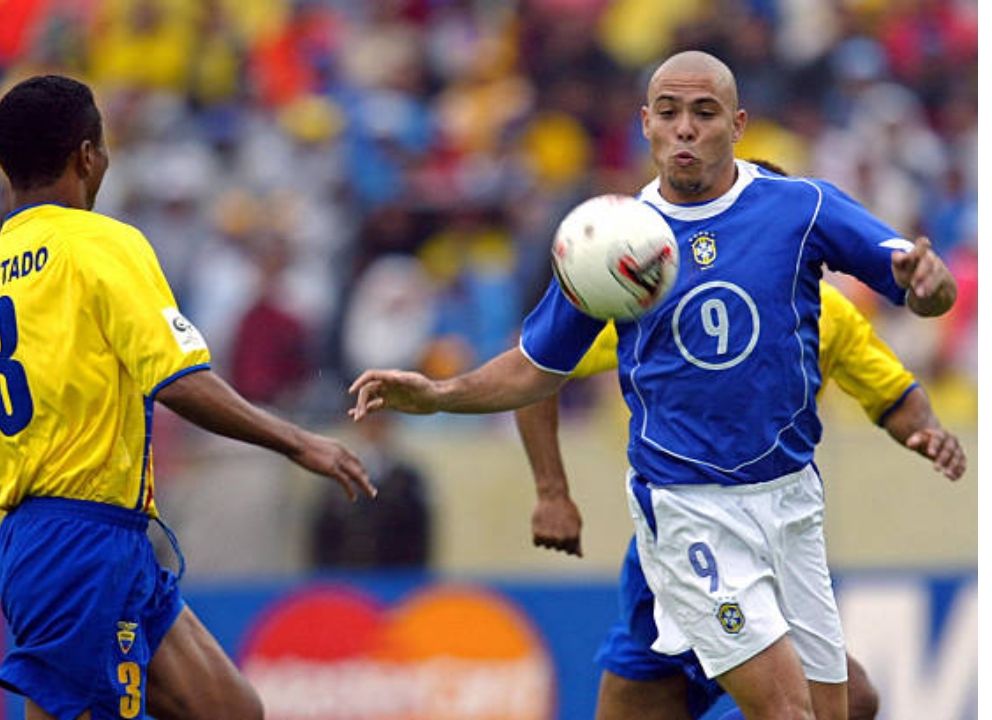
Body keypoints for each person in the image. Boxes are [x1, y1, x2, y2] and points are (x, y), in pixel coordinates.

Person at [348, 50, 957, 720]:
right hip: (689, 509)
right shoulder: (614, 241)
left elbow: (923, 287)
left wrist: (929, 288)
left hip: (791, 501)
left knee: (839, 709)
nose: (685, 128)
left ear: (738, 123)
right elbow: (533, 369)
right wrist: (438, 396)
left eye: (704, 112)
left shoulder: (801, 208)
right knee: (789, 714)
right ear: (646, 123)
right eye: (668, 113)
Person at [0, 74, 377, 720]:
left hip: (71, 542)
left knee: (233, 712)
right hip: (81, 547)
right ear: (86, 155)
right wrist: (296, 441)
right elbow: (177, 379)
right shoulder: (103, 246)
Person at [516, 280, 967, 720]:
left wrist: (927, 430)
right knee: (829, 705)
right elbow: (534, 367)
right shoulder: (683, 294)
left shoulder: (830, 313)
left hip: (773, 548)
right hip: (684, 545)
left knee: (849, 703)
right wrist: (551, 492)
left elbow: (895, 395)